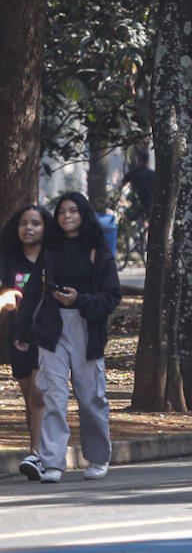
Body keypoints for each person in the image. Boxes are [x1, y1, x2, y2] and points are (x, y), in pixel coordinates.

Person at [31, 192, 122, 483]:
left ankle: (97, 458)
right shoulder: (51, 249)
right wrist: (23, 330)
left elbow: (111, 296)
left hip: (86, 326)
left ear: (83, 214)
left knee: (91, 396)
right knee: (53, 396)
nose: (67, 216)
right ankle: (53, 462)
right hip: (52, 328)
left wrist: (80, 300)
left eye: (73, 211)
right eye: (61, 212)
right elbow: (35, 289)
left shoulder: (98, 250)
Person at [0, 205, 49, 478]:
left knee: (39, 394)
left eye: (35, 223)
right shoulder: (9, 259)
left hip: (48, 336)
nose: (28, 228)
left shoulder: (52, 259)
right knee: (30, 400)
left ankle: (38, 454)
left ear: (45, 228)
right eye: (23, 223)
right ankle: (37, 453)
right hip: (19, 338)